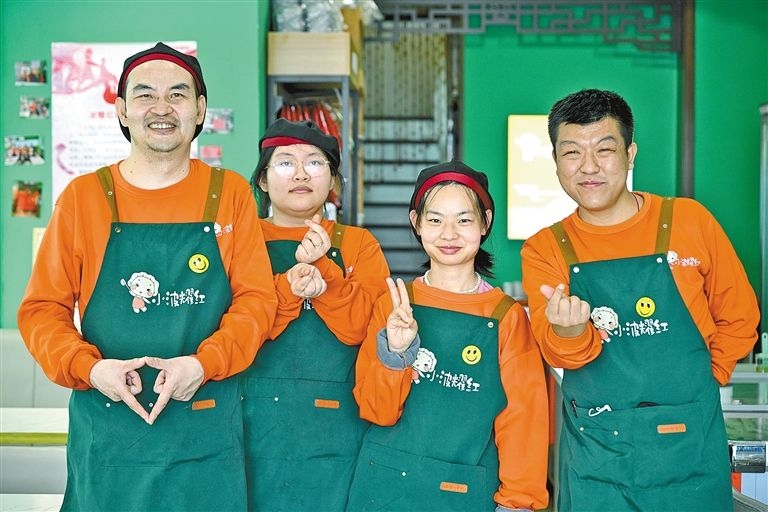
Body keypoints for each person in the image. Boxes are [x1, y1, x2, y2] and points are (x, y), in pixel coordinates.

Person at [17, 42, 277, 511]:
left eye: (178, 94)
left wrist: (203, 364)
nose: (161, 108)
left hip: (204, 431)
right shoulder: (83, 198)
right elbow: (42, 311)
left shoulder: (230, 194)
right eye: (144, 95)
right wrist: (91, 369)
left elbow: (257, 301)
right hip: (109, 436)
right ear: (122, 110)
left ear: (200, 109)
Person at [521, 88, 761, 511]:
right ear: (556, 161)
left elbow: (740, 316)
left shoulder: (689, 221)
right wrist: (570, 331)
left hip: (689, 444)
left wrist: (705, 380)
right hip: (598, 452)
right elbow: (556, 351)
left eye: (604, 149)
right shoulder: (546, 249)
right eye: (572, 152)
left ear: (630, 154)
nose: (589, 166)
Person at [348, 161, 550, 512]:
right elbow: (376, 411)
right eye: (436, 220)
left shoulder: (506, 317)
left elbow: (524, 421)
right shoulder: (394, 306)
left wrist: (517, 503)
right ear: (416, 223)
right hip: (383, 488)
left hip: (463, 492)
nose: (449, 234)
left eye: (464, 220)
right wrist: (397, 353)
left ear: (485, 223)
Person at [242, 118, 390, 511]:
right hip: (251, 421)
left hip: (337, 428)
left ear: (333, 180)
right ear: (263, 179)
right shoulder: (242, 241)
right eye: (285, 163)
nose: (301, 174)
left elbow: (364, 330)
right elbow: (234, 329)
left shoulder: (359, 244)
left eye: (314, 162)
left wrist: (326, 279)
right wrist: (287, 288)